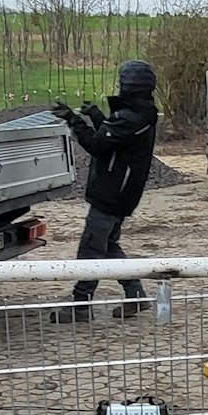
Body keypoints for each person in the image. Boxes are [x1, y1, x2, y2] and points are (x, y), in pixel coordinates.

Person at [49, 60, 158, 322]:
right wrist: (96, 115)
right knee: (108, 246)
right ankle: (135, 295)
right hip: (121, 193)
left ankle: (80, 305)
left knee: (90, 249)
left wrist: (73, 120)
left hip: (112, 194)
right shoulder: (139, 115)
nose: (119, 87)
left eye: (122, 83)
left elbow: (98, 145)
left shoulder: (131, 118)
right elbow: (114, 137)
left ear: (130, 88)